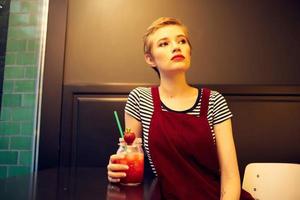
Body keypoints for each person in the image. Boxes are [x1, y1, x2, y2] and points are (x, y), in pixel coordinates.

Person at [107, 17, 254, 200]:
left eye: (182, 41)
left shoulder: (214, 101)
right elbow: (130, 154)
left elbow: (230, 178)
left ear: (189, 52)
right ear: (150, 59)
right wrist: (117, 170)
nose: (176, 47)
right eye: (164, 43)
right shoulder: (139, 99)